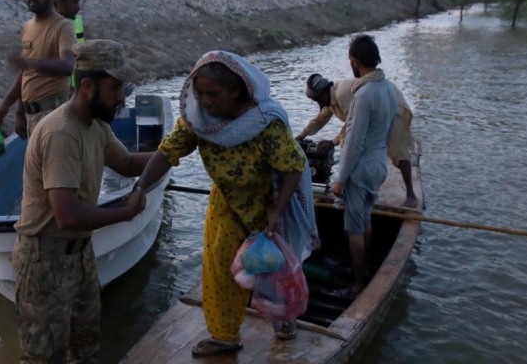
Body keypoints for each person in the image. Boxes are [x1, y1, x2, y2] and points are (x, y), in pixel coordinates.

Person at [134, 51, 319, 356]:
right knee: (220, 267)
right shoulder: (197, 121)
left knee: (272, 269)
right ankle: (224, 335)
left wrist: (277, 209)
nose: (206, 101)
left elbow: (293, 166)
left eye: (214, 94)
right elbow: (167, 153)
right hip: (226, 201)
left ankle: (282, 318)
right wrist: (141, 186)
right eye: (200, 93)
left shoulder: (265, 123)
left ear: (236, 91)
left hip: (267, 201)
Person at [12, 39, 149, 364]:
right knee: (44, 358)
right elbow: (68, 216)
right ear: (87, 86)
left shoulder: (96, 125)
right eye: (115, 88)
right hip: (44, 260)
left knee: (84, 349)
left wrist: (175, 151)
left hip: (80, 256)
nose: (121, 97)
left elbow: (127, 164)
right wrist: (124, 213)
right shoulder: (62, 133)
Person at [331, 35, 397, 294]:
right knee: (365, 218)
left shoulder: (365, 93)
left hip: (360, 169)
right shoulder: (388, 87)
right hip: (378, 165)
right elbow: (389, 129)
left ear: (354, 60)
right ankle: (366, 266)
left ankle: (359, 283)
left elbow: (354, 143)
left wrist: (340, 180)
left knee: (354, 230)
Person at [296, 72, 418, 208]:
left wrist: (332, 142)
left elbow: (350, 124)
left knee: (398, 151)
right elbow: (320, 119)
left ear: (324, 92)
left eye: (317, 100)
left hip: (391, 105)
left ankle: (411, 195)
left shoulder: (342, 94)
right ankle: (353, 187)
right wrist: (301, 136)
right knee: (350, 145)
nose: (318, 103)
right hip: (375, 110)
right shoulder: (330, 99)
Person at [0, 0, 77, 139]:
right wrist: (11, 108)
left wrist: (30, 63)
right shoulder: (27, 27)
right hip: (31, 116)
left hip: (53, 115)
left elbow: (68, 66)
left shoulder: (63, 27)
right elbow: (25, 75)